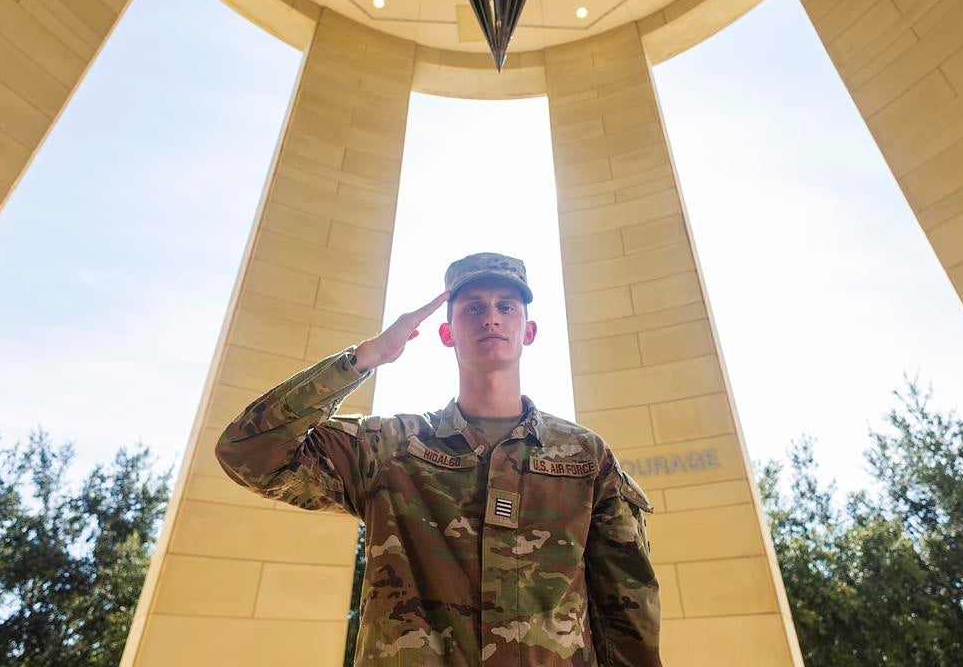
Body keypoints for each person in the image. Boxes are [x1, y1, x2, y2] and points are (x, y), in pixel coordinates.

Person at [215, 252, 661, 665]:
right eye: (473, 307)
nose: (491, 317)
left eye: (506, 307)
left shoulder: (584, 455)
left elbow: (624, 603)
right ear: (446, 333)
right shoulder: (388, 447)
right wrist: (364, 358)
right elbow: (247, 450)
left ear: (528, 331)